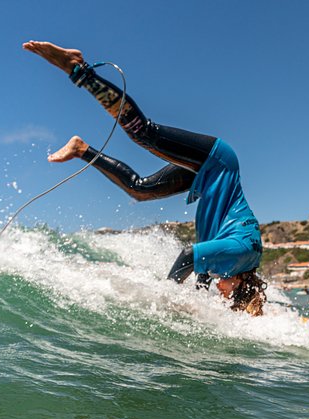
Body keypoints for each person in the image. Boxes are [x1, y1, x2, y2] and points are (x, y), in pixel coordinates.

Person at [23, 41, 266, 316]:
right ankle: (78, 68)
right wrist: (167, 301)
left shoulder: (233, 263)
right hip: (217, 162)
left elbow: (202, 274)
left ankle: (81, 149)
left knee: (139, 189)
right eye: (227, 296)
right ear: (241, 285)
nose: (221, 295)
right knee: (144, 133)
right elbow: (189, 254)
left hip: (206, 177)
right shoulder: (239, 253)